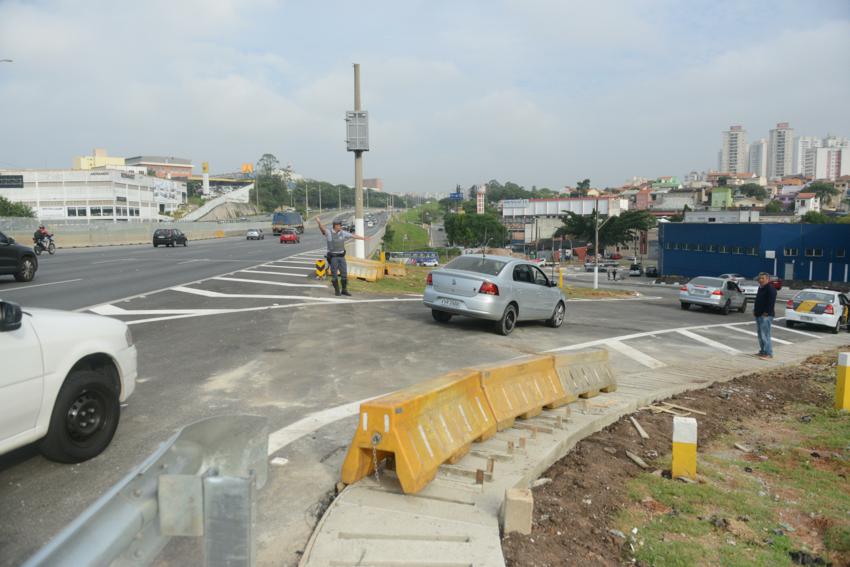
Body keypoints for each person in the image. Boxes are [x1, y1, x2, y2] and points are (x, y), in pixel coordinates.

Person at [316, 218, 365, 296]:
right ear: (335, 226)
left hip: (342, 257)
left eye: (340, 226)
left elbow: (353, 236)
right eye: (339, 226)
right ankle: (337, 291)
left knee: (344, 274)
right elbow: (322, 229)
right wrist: (319, 222)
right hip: (333, 257)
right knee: (334, 274)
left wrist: (363, 238)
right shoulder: (329, 233)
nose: (341, 227)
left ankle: (344, 290)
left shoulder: (343, 233)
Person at [753, 271, 777, 360]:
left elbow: (771, 302)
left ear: (768, 279)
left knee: (765, 334)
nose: (760, 280)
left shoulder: (770, 288)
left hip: (766, 315)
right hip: (758, 314)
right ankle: (762, 351)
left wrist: (766, 312)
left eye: (763, 278)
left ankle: (768, 353)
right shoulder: (761, 288)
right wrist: (755, 310)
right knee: (760, 335)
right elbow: (758, 300)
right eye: (760, 278)